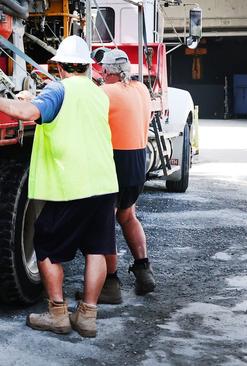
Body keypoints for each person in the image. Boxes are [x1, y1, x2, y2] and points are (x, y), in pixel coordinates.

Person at [0, 35, 118, 337]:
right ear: (86, 67)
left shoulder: (58, 89)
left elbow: (30, 114)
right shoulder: (98, 94)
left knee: (47, 248)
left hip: (71, 184)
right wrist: (36, 99)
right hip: (104, 183)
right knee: (97, 250)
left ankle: (57, 313)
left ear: (61, 66)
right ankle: (88, 316)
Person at [96, 49, 155, 302]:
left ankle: (110, 284)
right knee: (128, 215)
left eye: (102, 70)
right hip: (138, 161)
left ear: (107, 71)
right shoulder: (142, 89)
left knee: (105, 222)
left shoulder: (105, 93)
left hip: (115, 161)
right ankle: (144, 271)